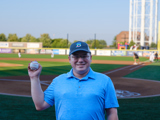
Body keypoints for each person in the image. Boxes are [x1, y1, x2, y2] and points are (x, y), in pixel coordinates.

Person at [28, 41, 119, 120]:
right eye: (75, 57)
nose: (80, 60)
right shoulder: (58, 81)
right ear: (69, 59)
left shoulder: (104, 80)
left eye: (84, 56)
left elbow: (112, 113)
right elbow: (40, 105)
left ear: (90, 58)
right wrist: (34, 78)